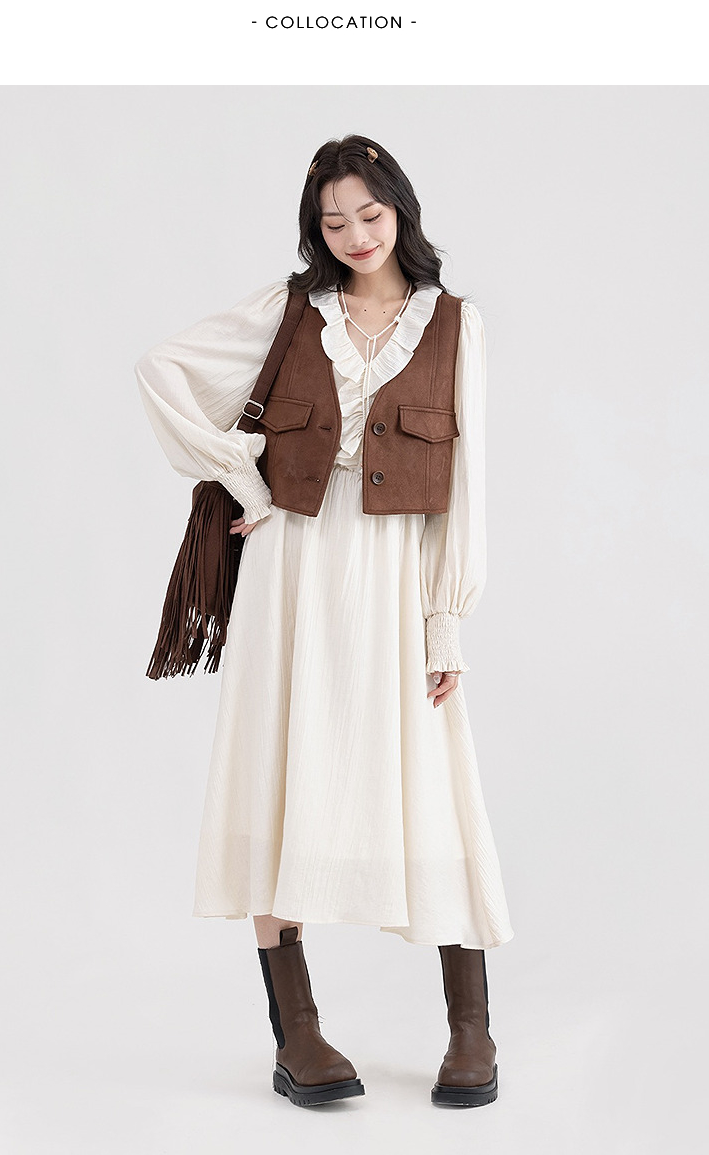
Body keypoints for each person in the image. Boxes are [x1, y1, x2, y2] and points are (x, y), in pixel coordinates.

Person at [134, 133, 513, 1109]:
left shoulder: (455, 324)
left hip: (396, 571)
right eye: (332, 221)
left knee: (430, 783)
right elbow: (162, 369)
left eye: (369, 215)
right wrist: (243, 478)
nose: (353, 235)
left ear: (401, 212)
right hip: (291, 566)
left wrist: (445, 620)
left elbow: (467, 484)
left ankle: (471, 1030)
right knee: (277, 773)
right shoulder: (290, 308)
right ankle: (296, 1033)